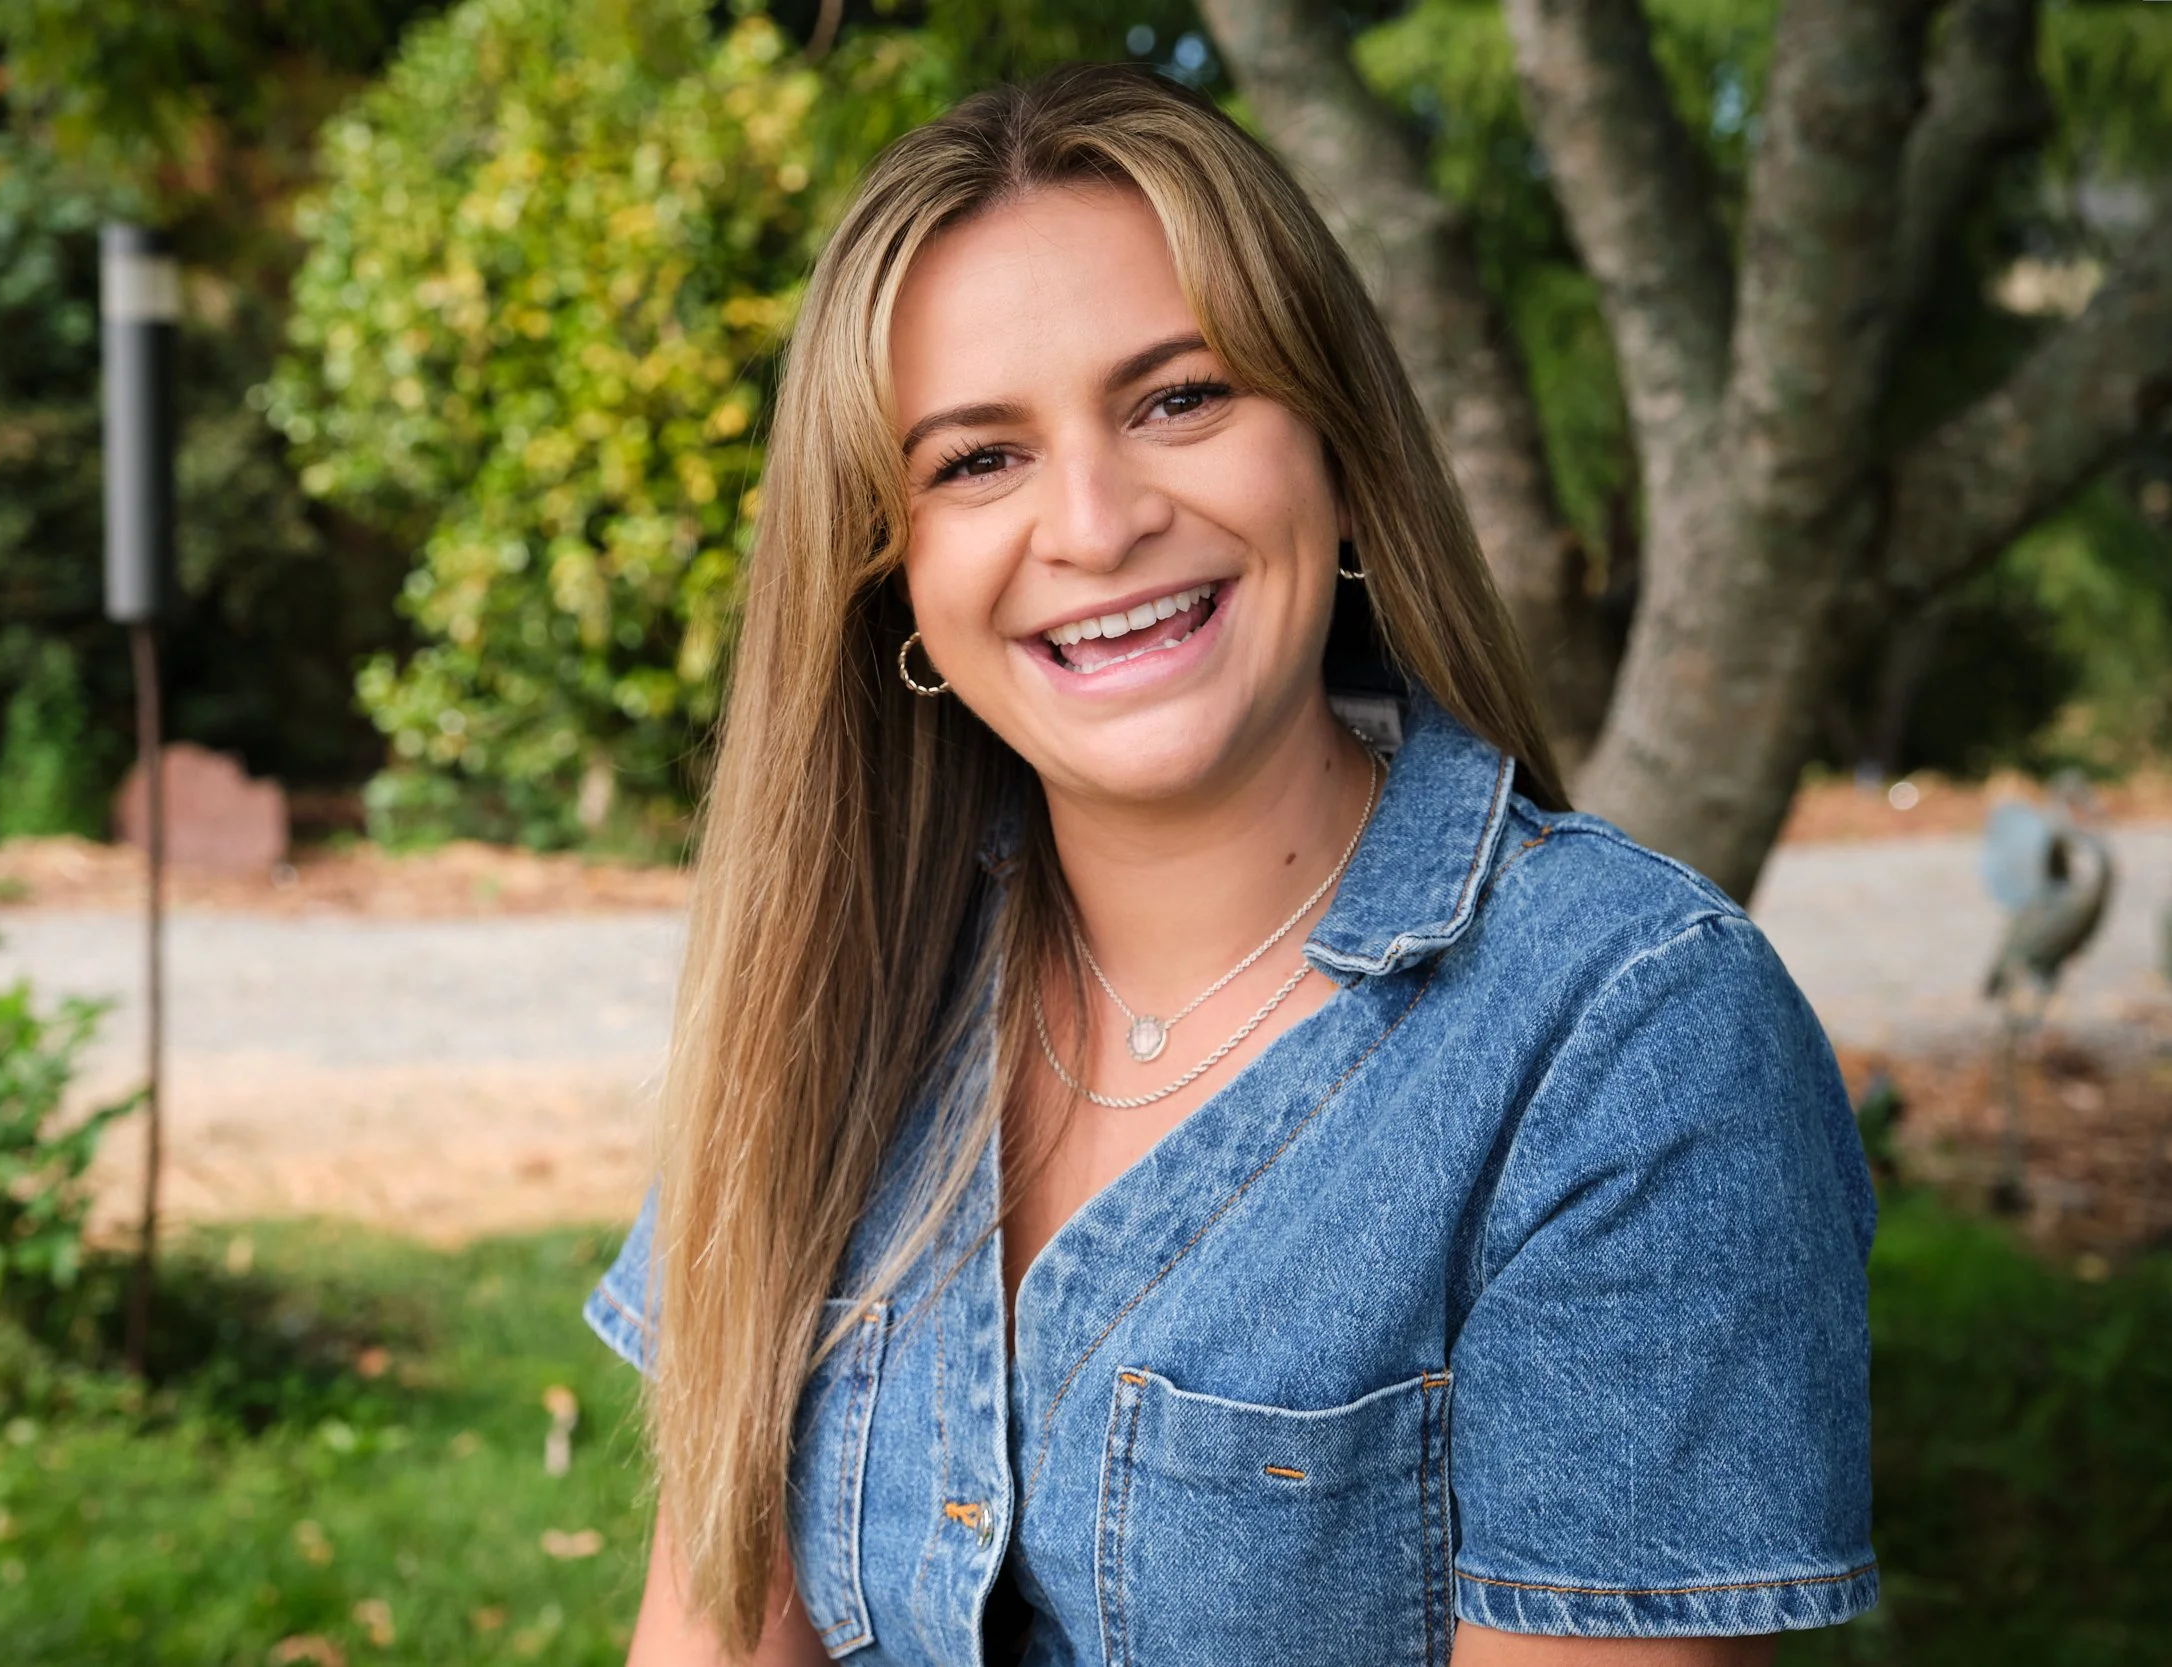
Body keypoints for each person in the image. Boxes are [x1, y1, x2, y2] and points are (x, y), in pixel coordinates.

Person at [585, 64, 1875, 1667]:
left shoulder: (1630, 1037)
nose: (1098, 519)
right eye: (976, 459)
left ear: (1332, 451)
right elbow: (713, 1625)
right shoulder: (841, 981)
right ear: (891, 576)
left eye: (1179, 398)